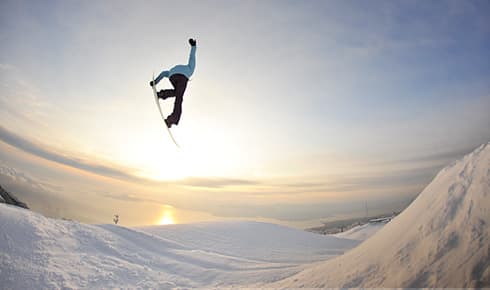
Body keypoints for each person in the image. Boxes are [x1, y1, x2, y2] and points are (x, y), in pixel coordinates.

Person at [150, 38, 197, 128]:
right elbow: (192, 57)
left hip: (172, 75)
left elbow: (164, 73)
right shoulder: (190, 69)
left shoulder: (177, 69)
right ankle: (172, 119)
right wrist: (194, 46)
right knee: (179, 98)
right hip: (182, 77)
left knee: (176, 92)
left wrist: (155, 82)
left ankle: (161, 94)